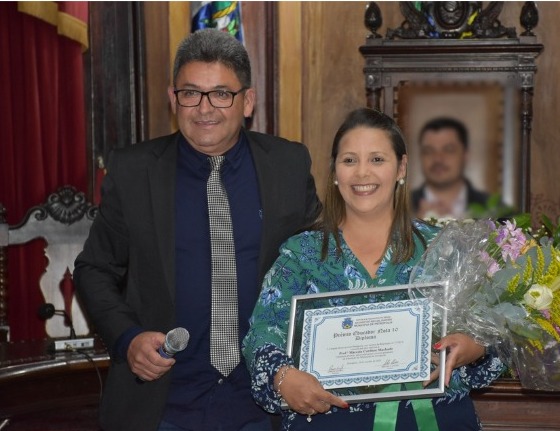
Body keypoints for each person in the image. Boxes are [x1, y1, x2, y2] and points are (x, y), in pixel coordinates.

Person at [74, 29, 321, 431]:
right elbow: (94, 269)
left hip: (265, 405)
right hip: (164, 405)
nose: (205, 109)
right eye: (191, 93)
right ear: (173, 99)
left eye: (221, 93)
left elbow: (322, 263)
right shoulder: (134, 172)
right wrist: (128, 338)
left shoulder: (287, 166)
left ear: (247, 101)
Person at [242, 108, 504, 431]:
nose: (362, 173)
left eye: (377, 159)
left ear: (401, 167)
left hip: (431, 419)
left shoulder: (445, 249)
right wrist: (283, 378)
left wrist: (476, 347)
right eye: (349, 160)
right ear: (335, 171)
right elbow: (263, 332)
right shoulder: (300, 255)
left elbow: (493, 331)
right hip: (328, 421)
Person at [411, 117, 492, 220]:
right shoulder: (398, 207)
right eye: (429, 151)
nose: (438, 159)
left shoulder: (493, 210)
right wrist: (415, 226)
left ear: (465, 155)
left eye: (448, 150)